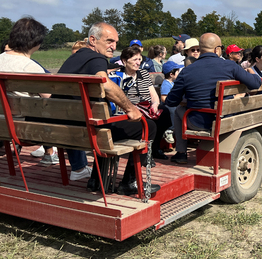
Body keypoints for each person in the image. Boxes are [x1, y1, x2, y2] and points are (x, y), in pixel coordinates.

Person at [57, 22, 159, 195]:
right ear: (92, 40)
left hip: (63, 131)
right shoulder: (96, 58)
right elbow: (106, 84)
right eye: (109, 41)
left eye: (116, 42)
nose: (114, 46)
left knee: (104, 124)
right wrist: (130, 108)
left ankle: (96, 179)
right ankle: (130, 182)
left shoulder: (74, 58)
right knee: (148, 126)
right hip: (87, 132)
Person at [165, 33, 262, 164]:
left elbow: (171, 101)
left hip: (198, 123)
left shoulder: (187, 71)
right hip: (225, 119)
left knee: (178, 111)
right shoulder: (230, 66)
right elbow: (256, 84)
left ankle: (181, 153)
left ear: (200, 49)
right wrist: (254, 74)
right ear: (217, 49)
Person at [0, 17, 57, 165]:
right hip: (24, 129)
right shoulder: (31, 68)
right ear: (36, 43)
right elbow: (51, 99)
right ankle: (53, 156)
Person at [116, 46, 172, 161]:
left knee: (164, 113)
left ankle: (154, 148)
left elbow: (153, 94)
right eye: (135, 60)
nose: (138, 63)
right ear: (125, 61)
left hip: (146, 106)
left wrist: (155, 104)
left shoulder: (143, 74)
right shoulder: (119, 75)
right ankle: (145, 153)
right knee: (147, 121)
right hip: (131, 108)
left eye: (139, 59)